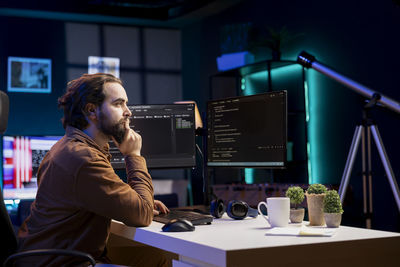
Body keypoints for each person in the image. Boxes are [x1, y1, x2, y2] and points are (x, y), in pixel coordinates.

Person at [17, 73, 170, 266]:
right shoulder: (83, 159)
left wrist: (132, 201)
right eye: (118, 104)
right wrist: (134, 155)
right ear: (92, 111)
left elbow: (100, 194)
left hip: (48, 256)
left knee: (157, 259)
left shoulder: (70, 147)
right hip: (61, 263)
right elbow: (143, 215)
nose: (128, 112)